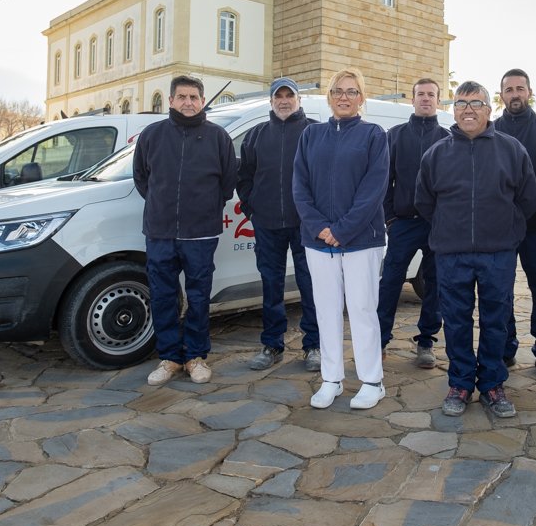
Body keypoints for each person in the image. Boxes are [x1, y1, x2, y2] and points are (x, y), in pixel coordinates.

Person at [416, 81, 536, 418]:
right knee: (456, 321)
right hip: (451, 253)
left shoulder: (512, 150)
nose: (468, 109)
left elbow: (528, 199)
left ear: (489, 108)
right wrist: (449, 229)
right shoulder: (436, 154)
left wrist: (507, 230)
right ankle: (460, 383)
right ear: (453, 110)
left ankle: (492, 385)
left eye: (476, 103)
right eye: (461, 103)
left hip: (498, 252)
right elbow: (424, 202)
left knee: (496, 321)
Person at [293, 69, 389, 410]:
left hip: (362, 240)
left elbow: (374, 188)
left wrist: (342, 230)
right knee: (327, 310)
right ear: (329, 96)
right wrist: (319, 227)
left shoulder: (374, 135)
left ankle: (372, 381)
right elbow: (299, 186)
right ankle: (331, 379)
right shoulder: (310, 135)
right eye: (338, 91)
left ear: (361, 97)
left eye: (351, 91)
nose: (344, 97)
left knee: (362, 309)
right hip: (318, 241)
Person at [133, 75, 238, 386]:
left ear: (202, 101)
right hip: (160, 232)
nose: (188, 103)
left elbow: (228, 182)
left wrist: (206, 207)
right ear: (171, 100)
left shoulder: (218, 137)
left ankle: (195, 356)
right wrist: (162, 205)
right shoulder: (152, 135)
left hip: (201, 233)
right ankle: (170, 358)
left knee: (199, 297)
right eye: (182, 97)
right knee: (163, 296)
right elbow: (141, 178)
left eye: (194, 97)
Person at [238, 77, 321, 372]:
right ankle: (272, 345)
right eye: (279, 96)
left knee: (310, 285)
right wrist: (252, 208)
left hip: (305, 224)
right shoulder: (256, 135)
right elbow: (244, 176)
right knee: (271, 285)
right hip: (267, 224)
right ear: (271, 101)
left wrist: (317, 215)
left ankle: (314, 346)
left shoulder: (315, 131)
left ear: (299, 100)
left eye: (289, 96)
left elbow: (325, 176)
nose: (284, 101)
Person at [495, 68, 536, 377]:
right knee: (501, 291)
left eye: (519, 89)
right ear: (502, 95)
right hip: (501, 230)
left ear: (529, 92)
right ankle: (506, 348)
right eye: (509, 90)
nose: (515, 94)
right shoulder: (492, 131)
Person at [376, 78, 447, 367]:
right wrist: (390, 218)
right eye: (421, 94)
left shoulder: (447, 138)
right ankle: (380, 340)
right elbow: (383, 181)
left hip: (437, 226)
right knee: (390, 282)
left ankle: (426, 341)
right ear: (413, 99)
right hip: (402, 224)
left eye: (431, 94)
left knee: (435, 285)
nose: (426, 98)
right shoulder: (394, 136)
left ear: (438, 100)